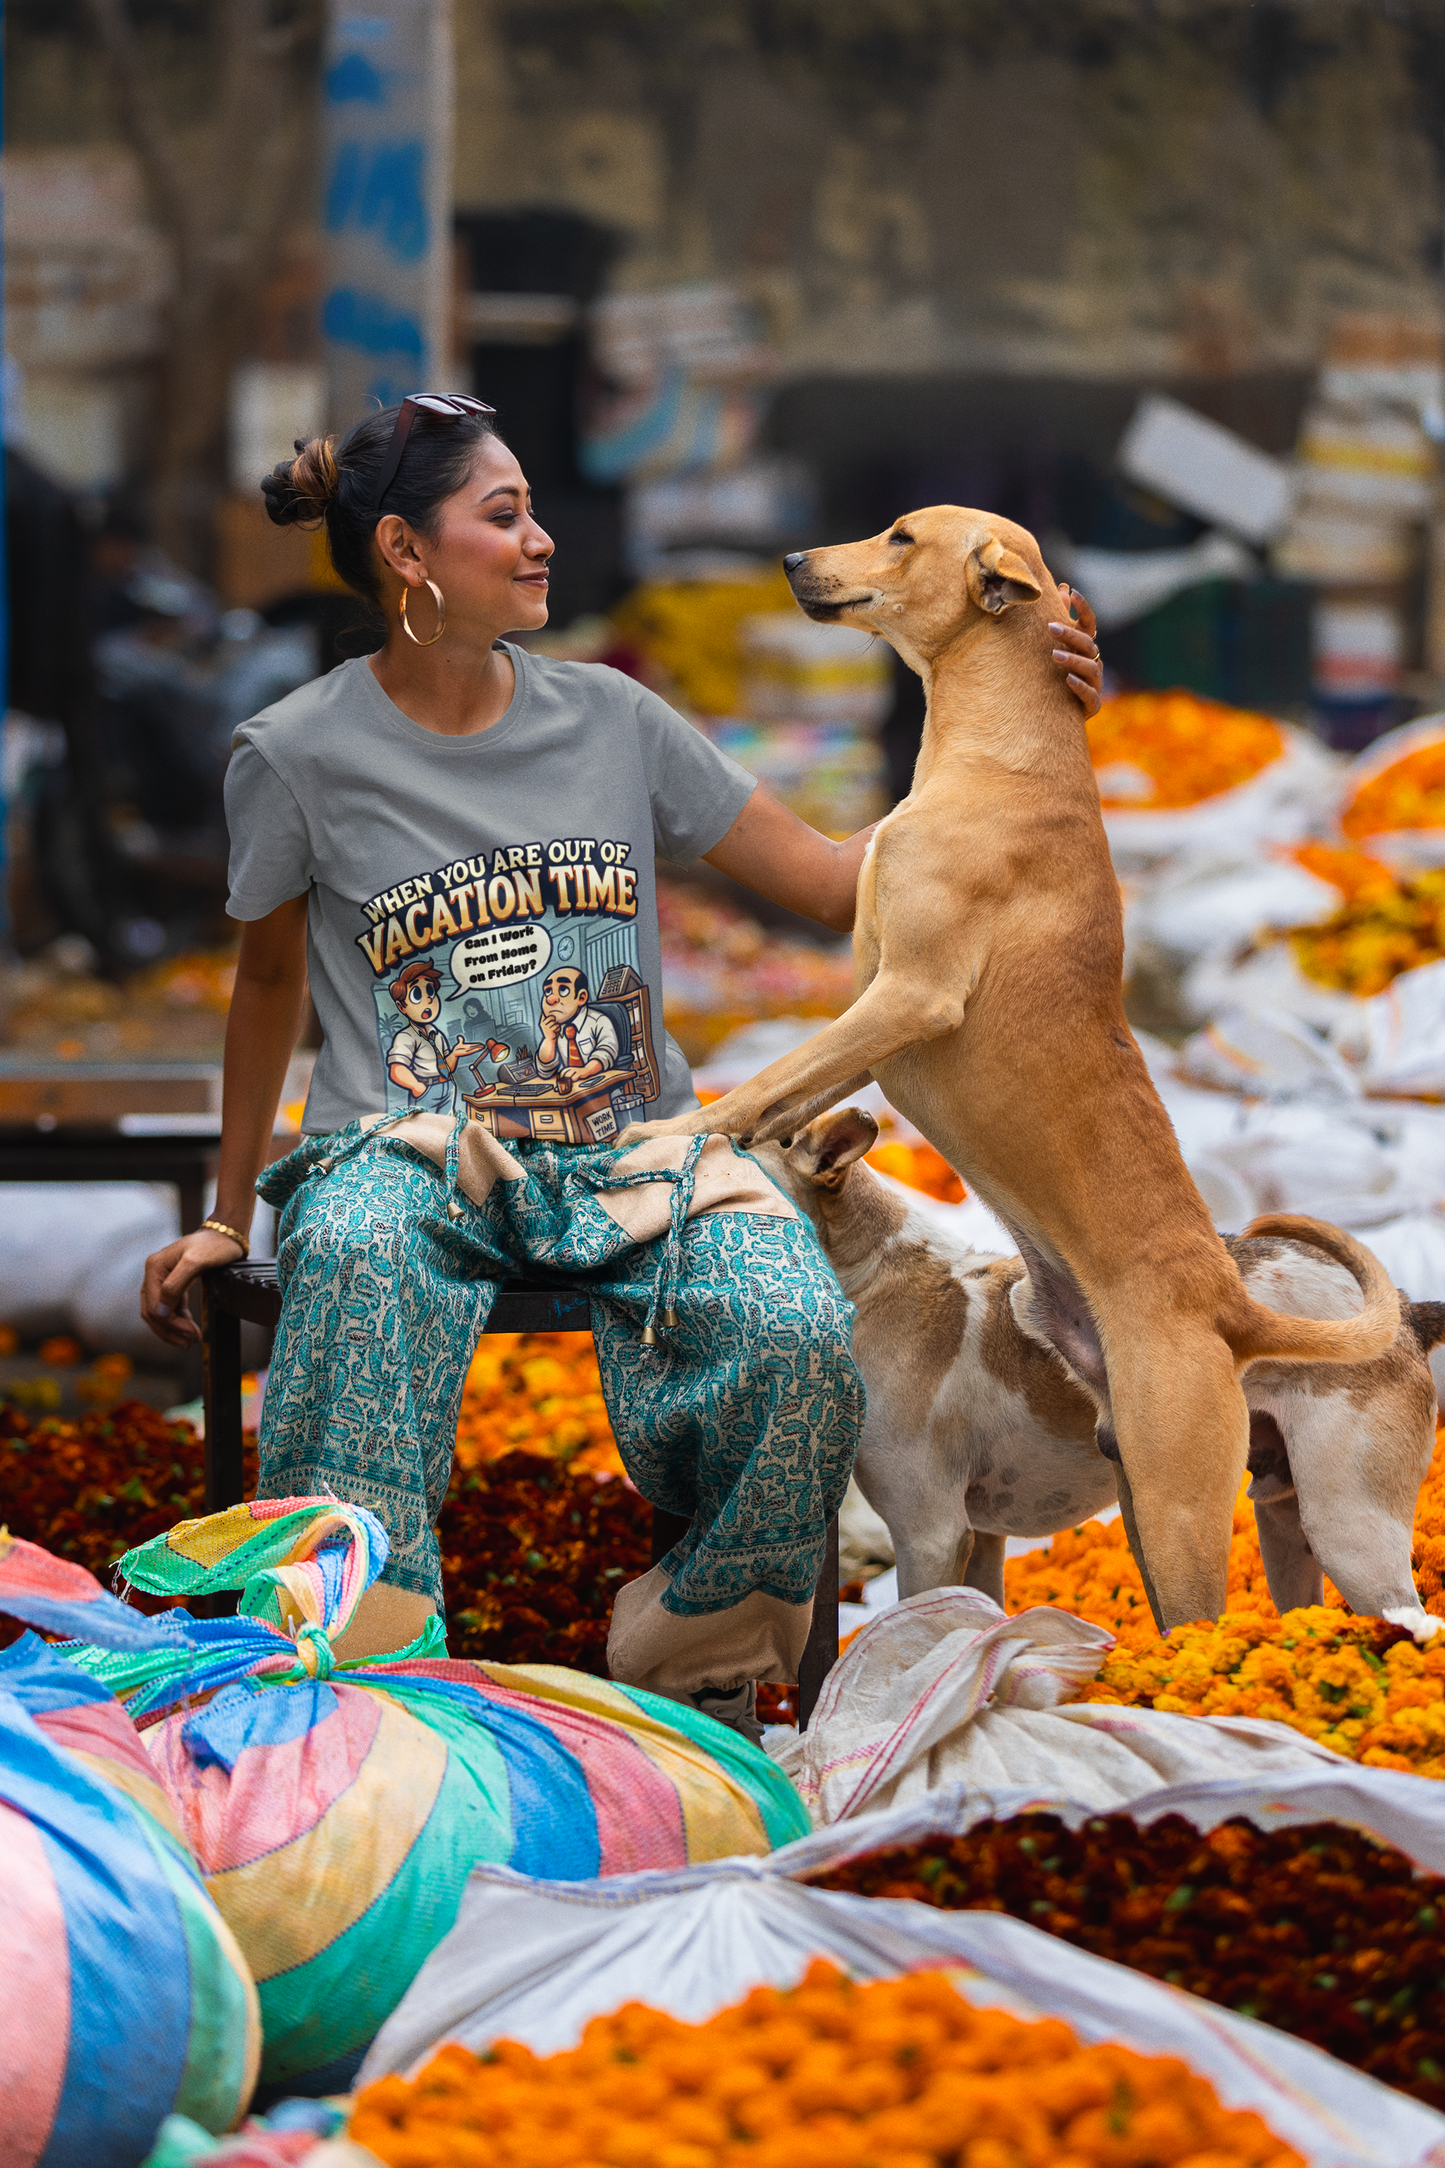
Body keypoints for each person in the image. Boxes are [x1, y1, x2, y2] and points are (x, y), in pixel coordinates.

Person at [140, 393, 1103, 1730]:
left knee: (792, 1330)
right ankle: (349, 1686)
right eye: (503, 516)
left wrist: (1014, 715)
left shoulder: (615, 719)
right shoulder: (295, 754)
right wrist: (224, 1215)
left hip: (635, 1153)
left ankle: (692, 1670)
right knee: (354, 1259)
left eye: (534, 512)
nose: (541, 542)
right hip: (408, 1153)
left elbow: (837, 888)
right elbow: (264, 989)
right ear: (409, 556)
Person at [535, 965, 617, 1082]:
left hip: (601, 1087)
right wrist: (549, 1040)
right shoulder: (554, 1029)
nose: (551, 999)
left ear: (581, 997)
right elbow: (546, 1072)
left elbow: (607, 1051)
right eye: (548, 991)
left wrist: (586, 1070)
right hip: (572, 1090)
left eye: (563, 990)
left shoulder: (599, 1021)